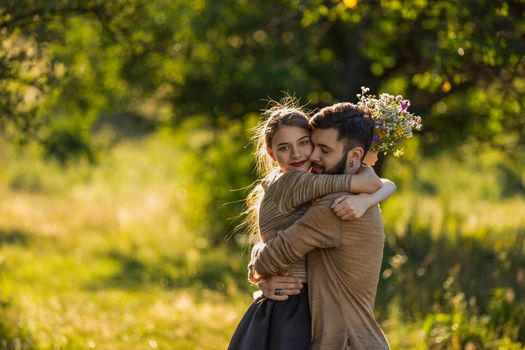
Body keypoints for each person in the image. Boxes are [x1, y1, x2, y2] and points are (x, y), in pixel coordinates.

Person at [228, 99, 395, 350]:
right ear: (272, 153)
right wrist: (261, 272)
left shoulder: (335, 206)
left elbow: (374, 181)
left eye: (318, 148)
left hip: (338, 336)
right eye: (286, 147)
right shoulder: (314, 188)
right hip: (304, 315)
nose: (309, 155)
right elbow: (375, 180)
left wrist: (259, 264)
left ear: (355, 156)